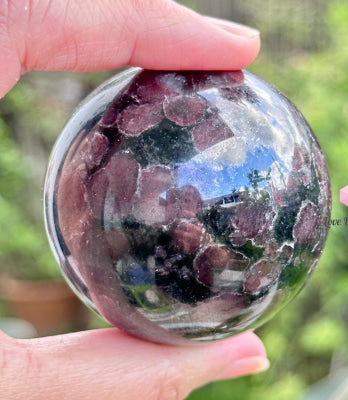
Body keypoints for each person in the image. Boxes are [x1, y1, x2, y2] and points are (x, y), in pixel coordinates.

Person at [0, 1, 267, 399]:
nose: (182, 213)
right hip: (137, 283)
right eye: (176, 201)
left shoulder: (207, 242)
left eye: (189, 203)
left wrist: (209, 255)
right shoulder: (120, 224)